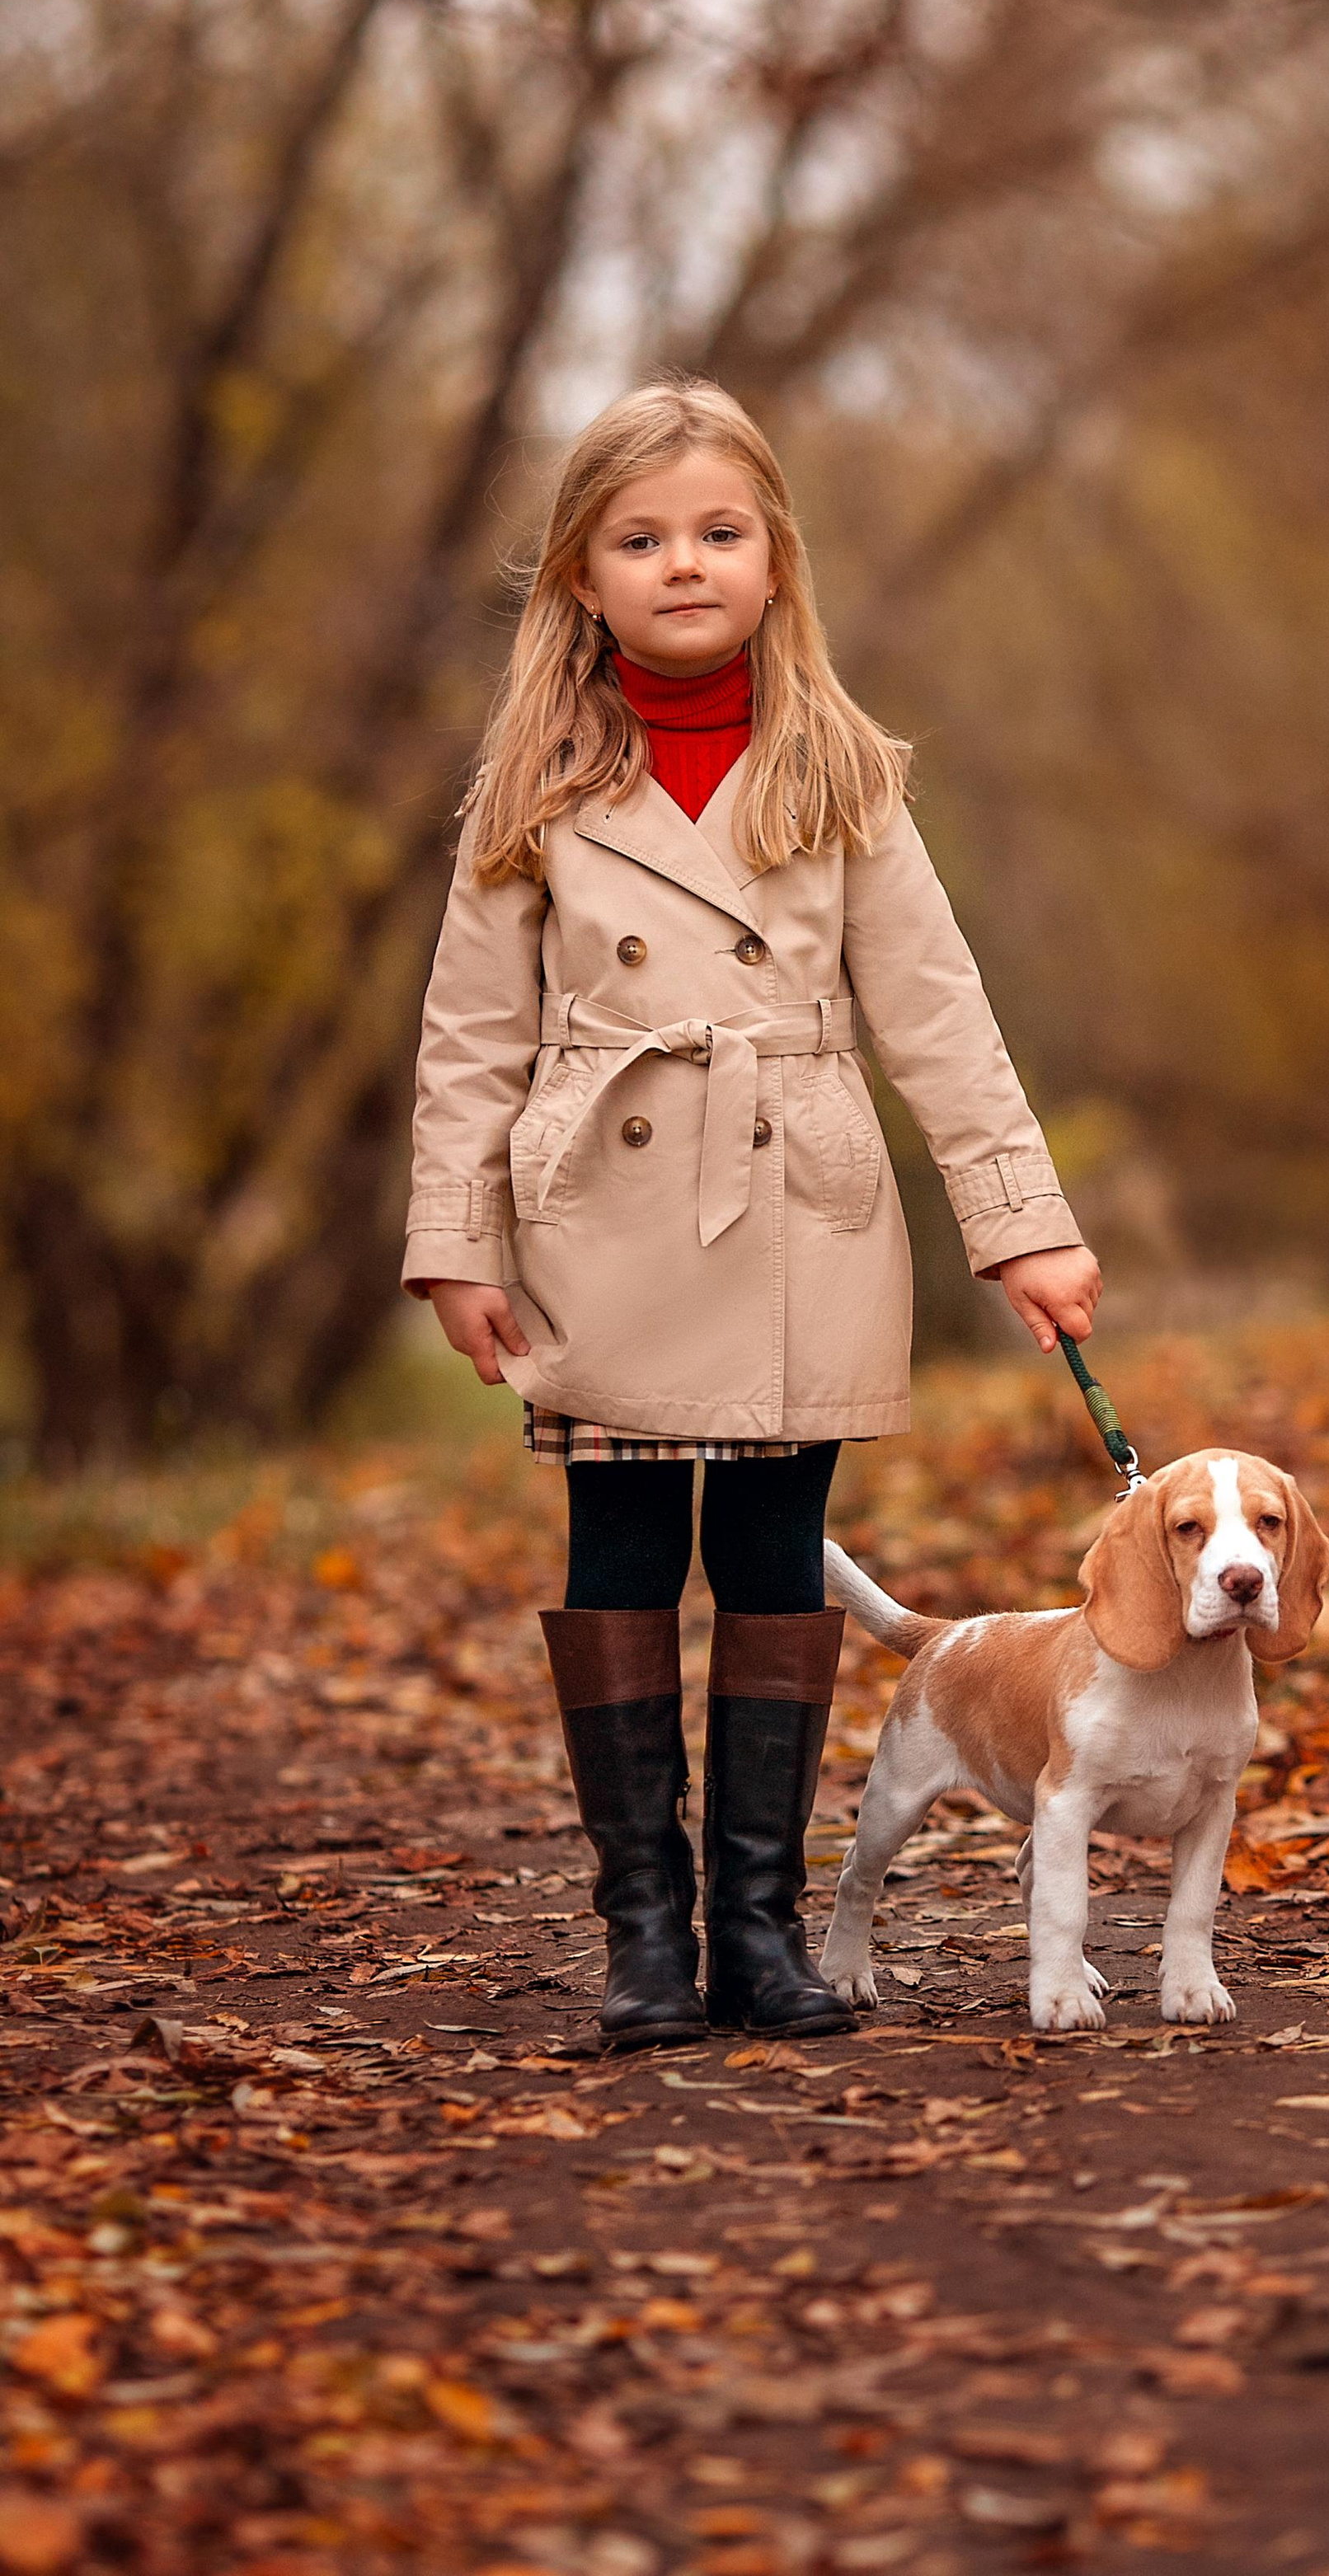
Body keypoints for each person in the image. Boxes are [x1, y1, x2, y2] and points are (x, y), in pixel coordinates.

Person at [403, 375, 1101, 2047]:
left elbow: (937, 1009)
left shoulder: (844, 774)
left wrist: (1018, 1218)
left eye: (718, 532)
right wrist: (454, 1241)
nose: (683, 564)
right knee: (624, 1553)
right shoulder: (535, 790)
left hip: (798, 1197)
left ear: (775, 560)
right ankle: (646, 1941)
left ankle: (761, 1936)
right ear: (580, 577)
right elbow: (470, 1033)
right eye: (639, 540)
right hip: (602, 1221)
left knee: (779, 1556)